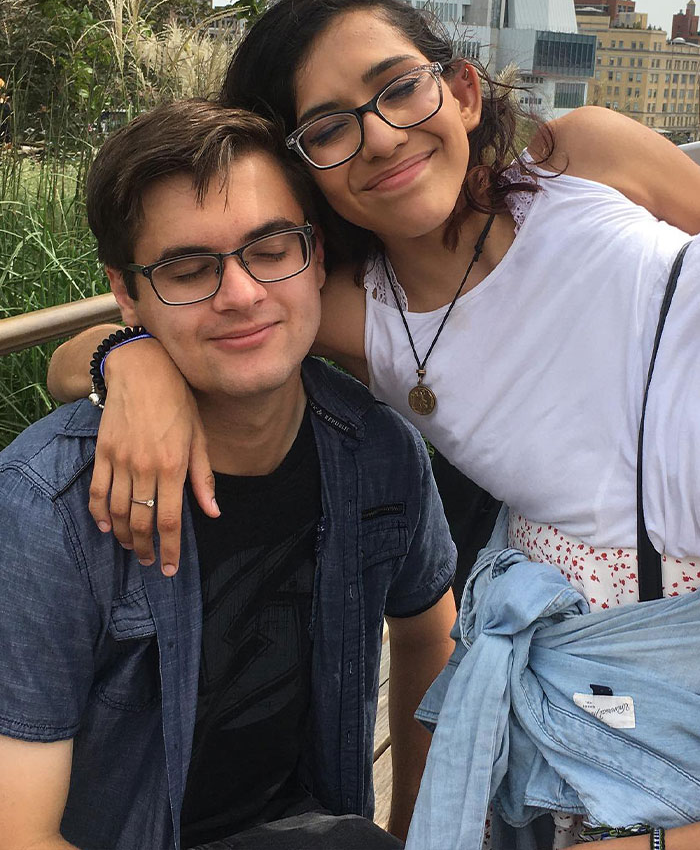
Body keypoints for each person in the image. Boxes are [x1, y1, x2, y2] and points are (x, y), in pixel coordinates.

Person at [48, 0, 700, 848]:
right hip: (623, 651)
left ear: (461, 92)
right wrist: (127, 363)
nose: (383, 135)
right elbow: (104, 341)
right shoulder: (356, 316)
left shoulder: (582, 157)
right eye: (328, 128)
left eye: (399, 88)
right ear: (302, 172)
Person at [0, 99, 459, 850]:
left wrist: (413, 829)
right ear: (128, 292)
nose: (241, 294)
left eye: (271, 248)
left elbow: (426, 628)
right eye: (188, 269)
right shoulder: (47, 513)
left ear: (313, 255)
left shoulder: (376, 450)